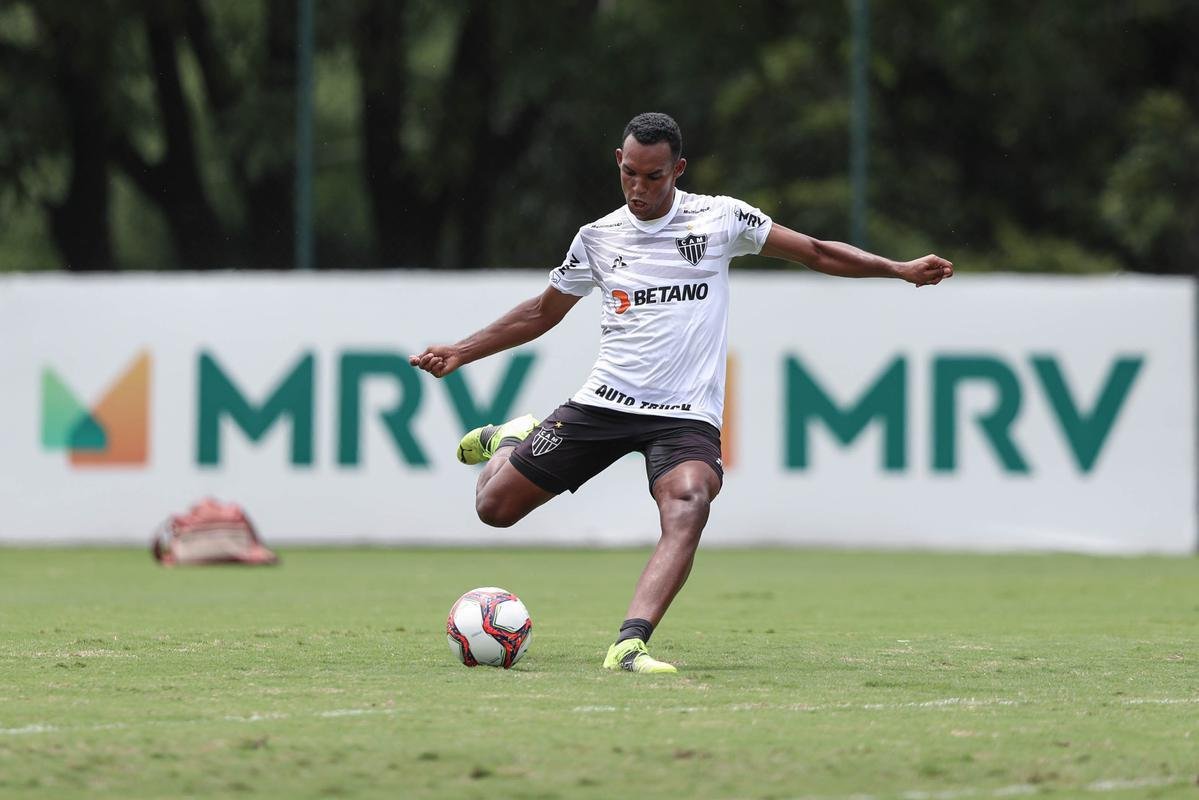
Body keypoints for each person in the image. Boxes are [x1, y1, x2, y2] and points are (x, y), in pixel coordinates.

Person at [409, 112, 952, 674]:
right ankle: (511, 438)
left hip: (684, 415)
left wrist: (899, 269)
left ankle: (630, 644)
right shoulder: (597, 238)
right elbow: (541, 312)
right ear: (618, 165)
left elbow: (815, 251)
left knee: (690, 501)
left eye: (653, 176)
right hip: (604, 404)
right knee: (493, 509)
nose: (638, 189)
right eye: (628, 175)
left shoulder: (720, 219)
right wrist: (461, 351)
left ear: (678, 170)